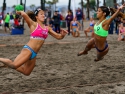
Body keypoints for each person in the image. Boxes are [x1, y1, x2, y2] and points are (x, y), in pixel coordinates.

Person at [0, 8, 68, 76]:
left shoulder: (47, 28)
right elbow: (24, 14)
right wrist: (19, 11)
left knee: (26, 72)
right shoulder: (33, 24)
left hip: (34, 54)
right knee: (14, 65)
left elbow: (58, 37)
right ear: (36, 16)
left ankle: (7, 65)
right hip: (28, 49)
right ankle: (7, 62)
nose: (43, 15)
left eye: (44, 14)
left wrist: (62, 35)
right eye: (41, 14)